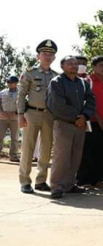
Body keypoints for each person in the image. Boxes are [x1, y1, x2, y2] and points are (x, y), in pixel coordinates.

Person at [46, 56, 96, 199]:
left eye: (76, 63)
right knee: (61, 157)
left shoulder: (83, 83)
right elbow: (58, 105)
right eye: (70, 63)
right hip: (64, 123)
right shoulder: (57, 82)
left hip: (80, 124)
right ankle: (56, 187)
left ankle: (69, 184)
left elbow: (91, 100)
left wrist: (84, 116)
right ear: (62, 66)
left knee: (75, 157)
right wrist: (76, 118)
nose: (74, 65)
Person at [17, 40, 58, 194]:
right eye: (44, 54)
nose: (47, 56)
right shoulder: (29, 73)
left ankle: (41, 180)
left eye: (50, 54)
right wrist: (20, 115)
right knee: (28, 148)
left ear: (54, 58)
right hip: (32, 114)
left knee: (46, 149)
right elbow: (21, 95)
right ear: (37, 56)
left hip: (49, 115)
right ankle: (25, 181)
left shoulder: (56, 76)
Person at [76, 56, 103, 188]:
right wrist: (99, 119)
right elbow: (86, 103)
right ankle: (84, 180)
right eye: (100, 65)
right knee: (88, 151)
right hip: (91, 122)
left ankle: (100, 179)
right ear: (93, 67)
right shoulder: (86, 82)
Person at [0, 75, 20, 162]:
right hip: (2, 118)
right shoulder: (2, 92)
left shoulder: (20, 93)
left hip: (15, 118)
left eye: (11, 82)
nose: (9, 84)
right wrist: (1, 112)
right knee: (0, 136)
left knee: (14, 138)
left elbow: (23, 104)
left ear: (16, 83)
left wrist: (15, 112)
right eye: (8, 82)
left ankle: (13, 156)